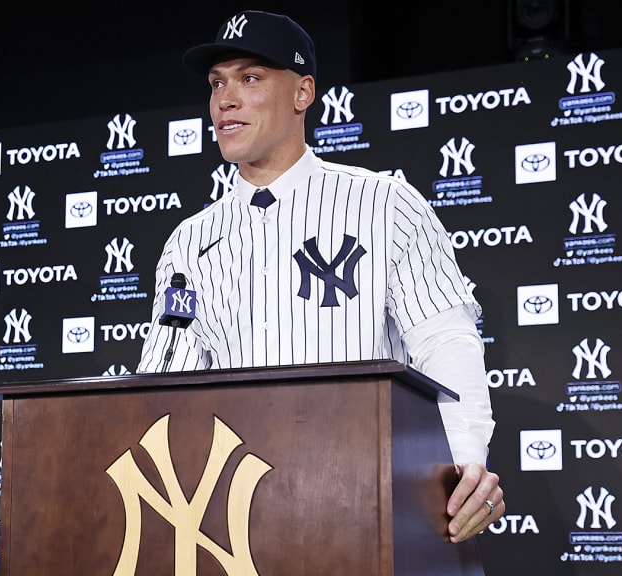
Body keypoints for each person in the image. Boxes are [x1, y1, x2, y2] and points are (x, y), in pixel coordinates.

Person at [136, 10, 503, 543]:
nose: (225, 100)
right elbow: (165, 389)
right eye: (217, 83)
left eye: (251, 78)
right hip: (232, 518)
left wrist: (463, 462)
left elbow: (445, 341)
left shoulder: (384, 204)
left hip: (365, 496)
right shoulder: (188, 242)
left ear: (303, 92)